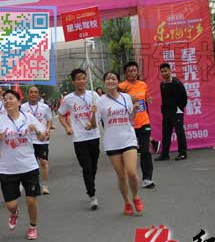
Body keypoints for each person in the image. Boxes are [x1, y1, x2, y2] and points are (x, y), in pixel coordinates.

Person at [0, 90, 47, 240]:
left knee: (31, 199)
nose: (7, 101)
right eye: (5, 99)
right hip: (8, 168)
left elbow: (43, 136)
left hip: (29, 165)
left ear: (19, 102)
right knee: (11, 205)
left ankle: (33, 227)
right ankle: (14, 213)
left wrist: (37, 132)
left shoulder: (28, 118)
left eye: (11, 98)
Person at [97, 72, 144, 215]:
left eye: (113, 78)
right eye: (108, 79)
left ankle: (135, 197)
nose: (111, 81)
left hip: (128, 138)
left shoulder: (126, 97)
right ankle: (126, 201)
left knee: (131, 172)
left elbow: (130, 118)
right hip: (112, 142)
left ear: (118, 81)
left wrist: (135, 111)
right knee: (121, 175)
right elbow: (95, 122)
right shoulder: (100, 101)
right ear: (104, 82)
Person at [58, 68, 100, 210]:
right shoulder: (68, 99)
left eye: (83, 78)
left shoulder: (93, 95)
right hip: (79, 138)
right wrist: (67, 128)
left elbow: (101, 111)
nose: (81, 81)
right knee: (86, 167)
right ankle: (92, 194)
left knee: (93, 166)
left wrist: (95, 118)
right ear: (74, 81)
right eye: (78, 79)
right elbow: (61, 115)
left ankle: (90, 185)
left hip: (94, 136)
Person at [119, 61, 155, 189]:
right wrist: (129, 100)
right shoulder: (121, 87)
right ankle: (129, 176)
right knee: (130, 152)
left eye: (134, 70)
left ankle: (147, 178)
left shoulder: (143, 85)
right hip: (129, 125)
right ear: (125, 73)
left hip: (144, 122)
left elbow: (147, 101)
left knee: (145, 150)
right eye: (129, 71)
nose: (132, 73)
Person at [21, 86, 52, 194]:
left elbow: (49, 120)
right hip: (28, 139)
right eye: (31, 92)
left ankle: (45, 185)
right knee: (28, 163)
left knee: (43, 162)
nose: (33, 94)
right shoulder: (22, 108)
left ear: (38, 95)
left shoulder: (44, 107)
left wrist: (47, 130)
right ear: (27, 94)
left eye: (35, 92)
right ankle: (25, 184)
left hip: (42, 138)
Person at [155, 63, 188, 161]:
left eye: (165, 71)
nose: (164, 73)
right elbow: (163, 98)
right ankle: (165, 154)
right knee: (166, 133)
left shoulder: (177, 83)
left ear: (170, 71)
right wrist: (164, 111)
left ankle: (182, 153)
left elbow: (184, 97)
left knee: (179, 132)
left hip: (177, 112)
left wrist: (179, 109)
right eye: (162, 71)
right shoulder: (162, 84)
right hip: (166, 112)